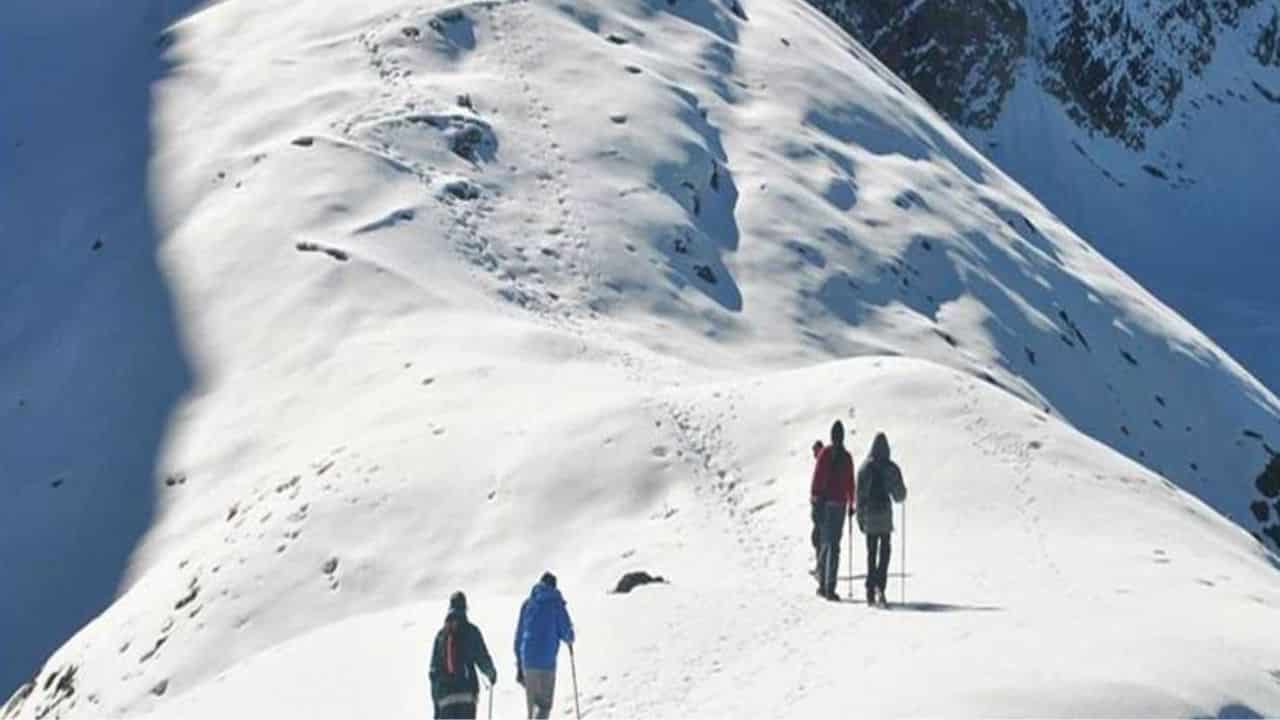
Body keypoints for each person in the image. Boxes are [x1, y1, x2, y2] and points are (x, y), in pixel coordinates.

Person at [856, 432, 907, 607]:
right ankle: (881, 586)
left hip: (870, 517)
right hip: (885, 517)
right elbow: (899, 495)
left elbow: (859, 497)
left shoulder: (864, 468)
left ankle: (870, 589)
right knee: (885, 553)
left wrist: (860, 519)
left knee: (871, 553)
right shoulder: (891, 468)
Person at [515, 572, 575, 719]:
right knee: (544, 706)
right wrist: (570, 639)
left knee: (533, 707)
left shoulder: (528, 604)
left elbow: (518, 636)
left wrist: (519, 663)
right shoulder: (556, 604)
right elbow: (567, 633)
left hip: (527, 661)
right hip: (547, 663)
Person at [429, 591, 497, 719]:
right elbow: (482, 656)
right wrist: (491, 673)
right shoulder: (472, 631)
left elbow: (433, 671)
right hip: (467, 693)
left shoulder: (441, 635)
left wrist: (436, 704)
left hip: (445, 697)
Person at [810, 421, 855, 600]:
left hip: (825, 503)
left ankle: (822, 581)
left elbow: (817, 477)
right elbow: (851, 482)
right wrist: (852, 503)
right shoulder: (846, 456)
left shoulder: (825, 454)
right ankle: (830, 586)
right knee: (834, 545)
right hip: (840, 505)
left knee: (825, 542)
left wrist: (814, 498)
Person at [809, 439, 825, 576]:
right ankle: (820, 565)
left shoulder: (823, 464)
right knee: (817, 538)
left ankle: (821, 567)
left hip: (821, 508)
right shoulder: (822, 463)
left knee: (818, 538)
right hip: (820, 507)